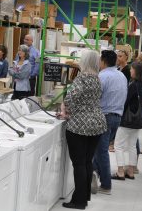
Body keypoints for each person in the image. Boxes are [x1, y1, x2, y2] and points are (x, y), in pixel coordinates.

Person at [61, 50, 107, 209]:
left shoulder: (82, 78)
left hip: (79, 124)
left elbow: (70, 98)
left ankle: (78, 201)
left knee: (79, 163)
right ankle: (84, 196)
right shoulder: (97, 79)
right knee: (87, 162)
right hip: (97, 123)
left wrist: (66, 111)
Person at [92, 50, 128, 195]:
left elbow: (95, 96)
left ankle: (106, 185)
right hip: (117, 117)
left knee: (101, 151)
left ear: (103, 61)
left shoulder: (102, 76)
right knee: (101, 149)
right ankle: (93, 174)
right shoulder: (121, 76)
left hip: (104, 116)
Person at [112, 62, 142, 180]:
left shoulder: (133, 85)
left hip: (128, 119)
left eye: (132, 69)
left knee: (118, 145)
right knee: (132, 145)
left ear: (136, 71)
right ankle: (131, 171)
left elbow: (125, 102)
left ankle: (120, 171)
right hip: (138, 119)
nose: (130, 71)